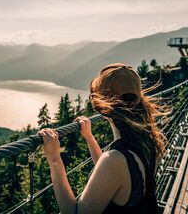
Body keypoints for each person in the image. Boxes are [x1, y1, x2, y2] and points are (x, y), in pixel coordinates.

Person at [38, 63, 166, 214]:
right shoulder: (149, 142)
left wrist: (54, 158)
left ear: (101, 106)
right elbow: (114, 177)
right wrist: (89, 137)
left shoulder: (115, 160)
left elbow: (75, 212)